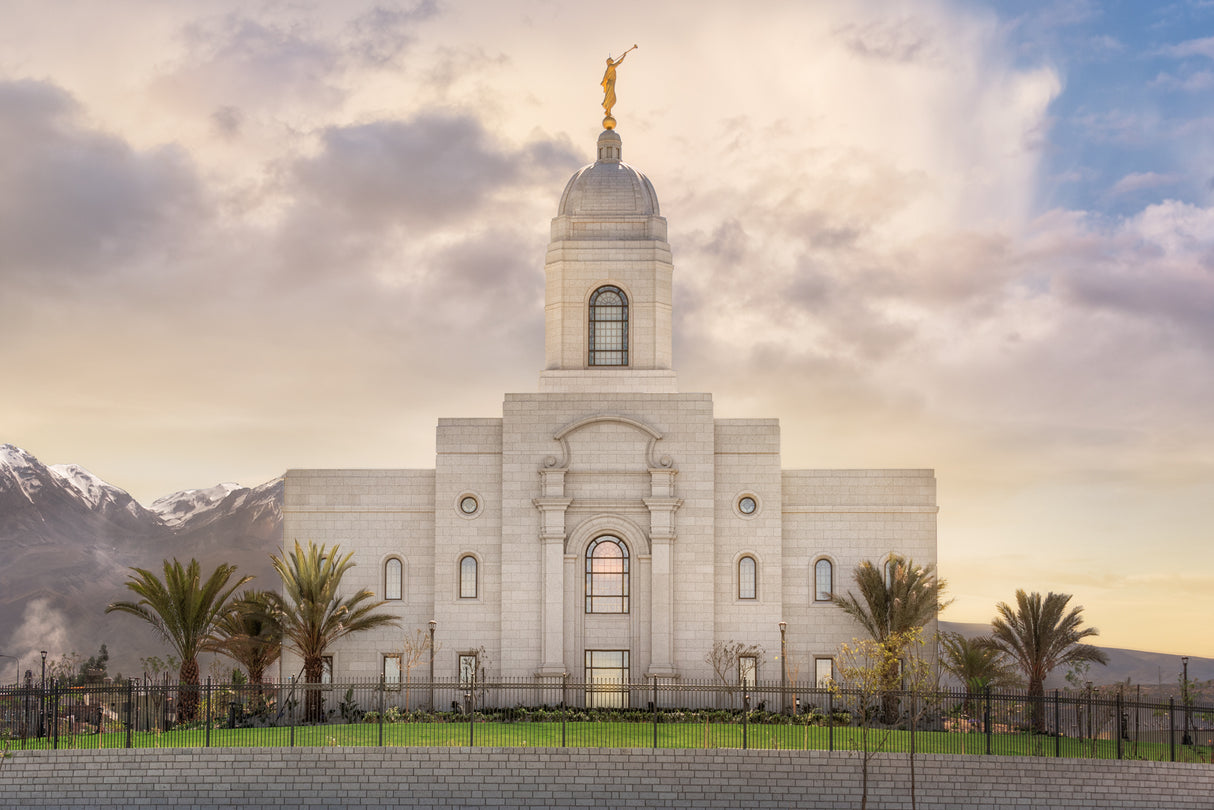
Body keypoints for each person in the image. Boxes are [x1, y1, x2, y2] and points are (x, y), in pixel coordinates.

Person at [601, 45, 637, 119]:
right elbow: (619, 63)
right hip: (610, 84)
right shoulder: (611, 67)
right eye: (611, 60)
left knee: (612, 98)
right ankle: (608, 110)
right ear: (609, 62)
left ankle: (608, 111)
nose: (612, 61)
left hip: (611, 84)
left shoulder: (609, 68)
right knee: (612, 98)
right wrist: (624, 56)